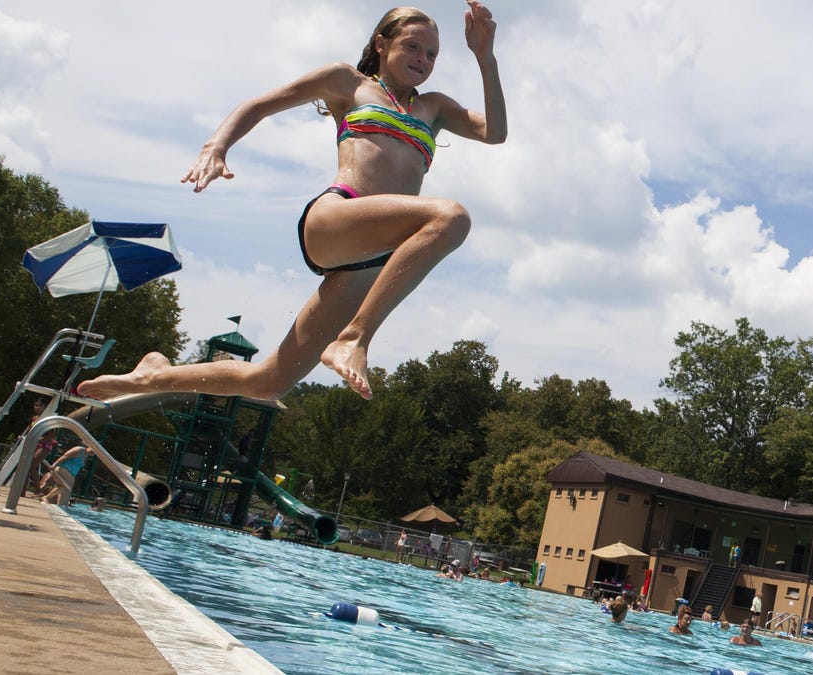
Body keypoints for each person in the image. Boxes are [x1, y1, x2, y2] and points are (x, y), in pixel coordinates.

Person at [77, 2, 507, 404]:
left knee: (270, 382)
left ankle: (154, 375)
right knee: (451, 216)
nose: (422, 59)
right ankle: (355, 338)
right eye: (412, 46)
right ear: (381, 43)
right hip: (337, 217)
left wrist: (485, 57)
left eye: (431, 54)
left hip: (373, 259)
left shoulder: (433, 107)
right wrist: (216, 146)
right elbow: (259, 105)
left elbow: (495, 132)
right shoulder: (349, 83)